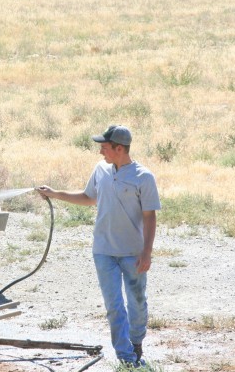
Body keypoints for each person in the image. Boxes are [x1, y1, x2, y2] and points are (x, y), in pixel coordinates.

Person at [37, 125, 160, 366]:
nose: (101, 151)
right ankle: (126, 358)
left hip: (133, 253)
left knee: (136, 302)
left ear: (120, 148)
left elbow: (149, 216)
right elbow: (88, 197)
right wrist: (54, 193)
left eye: (104, 147)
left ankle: (136, 343)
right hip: (103, 251)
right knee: (114, 306)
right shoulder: (101, 170)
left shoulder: (143, 177)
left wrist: (147, 252)